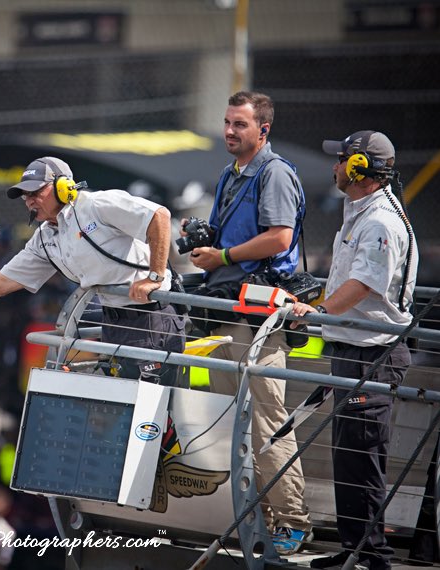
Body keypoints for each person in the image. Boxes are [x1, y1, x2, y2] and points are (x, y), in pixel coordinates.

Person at [0, 156, 187, 386]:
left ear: (64, 187)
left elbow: (158, 216)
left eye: (36, 192)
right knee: (125, 410)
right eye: (24, 195)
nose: (29, 200)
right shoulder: (45, 235)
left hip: (152, 317)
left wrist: (155, 276)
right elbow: (2, 282)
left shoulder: (97, 204)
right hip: (114, 322)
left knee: (149, 415)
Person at [185, 91, 312, 554]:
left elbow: (279, 238)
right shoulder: (231, 172)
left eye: (240, 124)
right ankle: (258, 515)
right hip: (225, 308)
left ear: (264, 129)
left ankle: (293, 522)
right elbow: (235, 239)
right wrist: (207, 247)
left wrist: (222, 255)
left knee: (266, 421)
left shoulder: (274, 173)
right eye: (226, 122)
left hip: (255, 316)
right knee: (234, 421)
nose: (229, 132)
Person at [291, 130, 418, 570]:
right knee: (348, 458)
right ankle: (353, 549)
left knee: (363, 461)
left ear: (360, 169)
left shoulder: (380, 221)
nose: (335, 166)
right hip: (353, 348)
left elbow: (363, 284)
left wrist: (315, 312)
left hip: (373, 354)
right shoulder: (360, 210)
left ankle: (374, 557)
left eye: (342, 159)